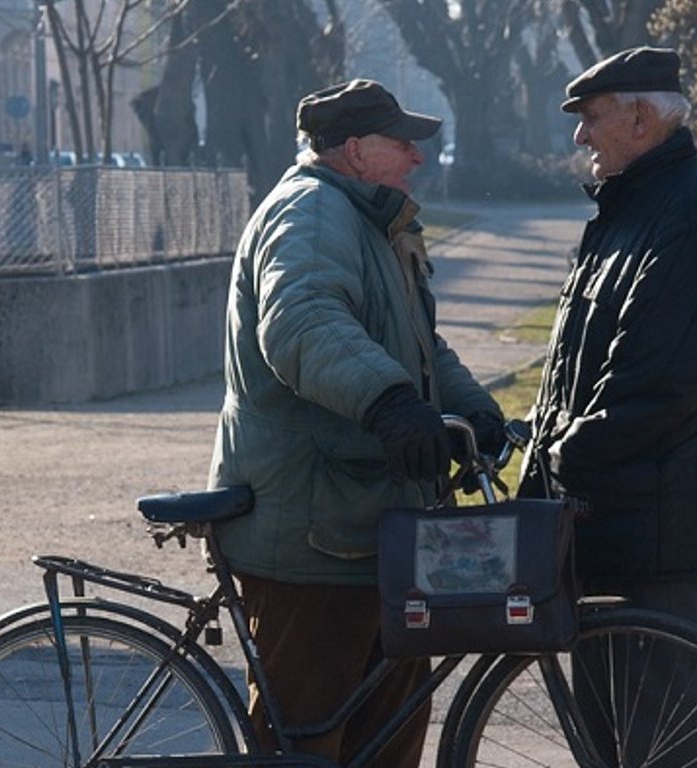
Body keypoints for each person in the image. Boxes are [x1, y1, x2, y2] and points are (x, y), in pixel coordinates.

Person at [207, 78, 505, 767]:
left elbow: (419, 346)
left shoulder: (374, 221)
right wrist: (392, 405)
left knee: (386, 736)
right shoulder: (311, 215)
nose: (417, 157)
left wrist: (476, 413)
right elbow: (304, 327)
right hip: (312, 535)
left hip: (371, 525)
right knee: (307, 742)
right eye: (402, 142)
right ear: (353, 150)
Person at [519, 47, 697, 765]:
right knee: (609, 743)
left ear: (642, 119)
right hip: (605, 521)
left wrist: (558, 453)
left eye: (592, 119)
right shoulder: (628, 210)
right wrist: (534, 436)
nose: (581, 137)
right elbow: (578, 369)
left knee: (662, 745)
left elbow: (659, 383)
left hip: (653, 529)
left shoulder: (692, 214)